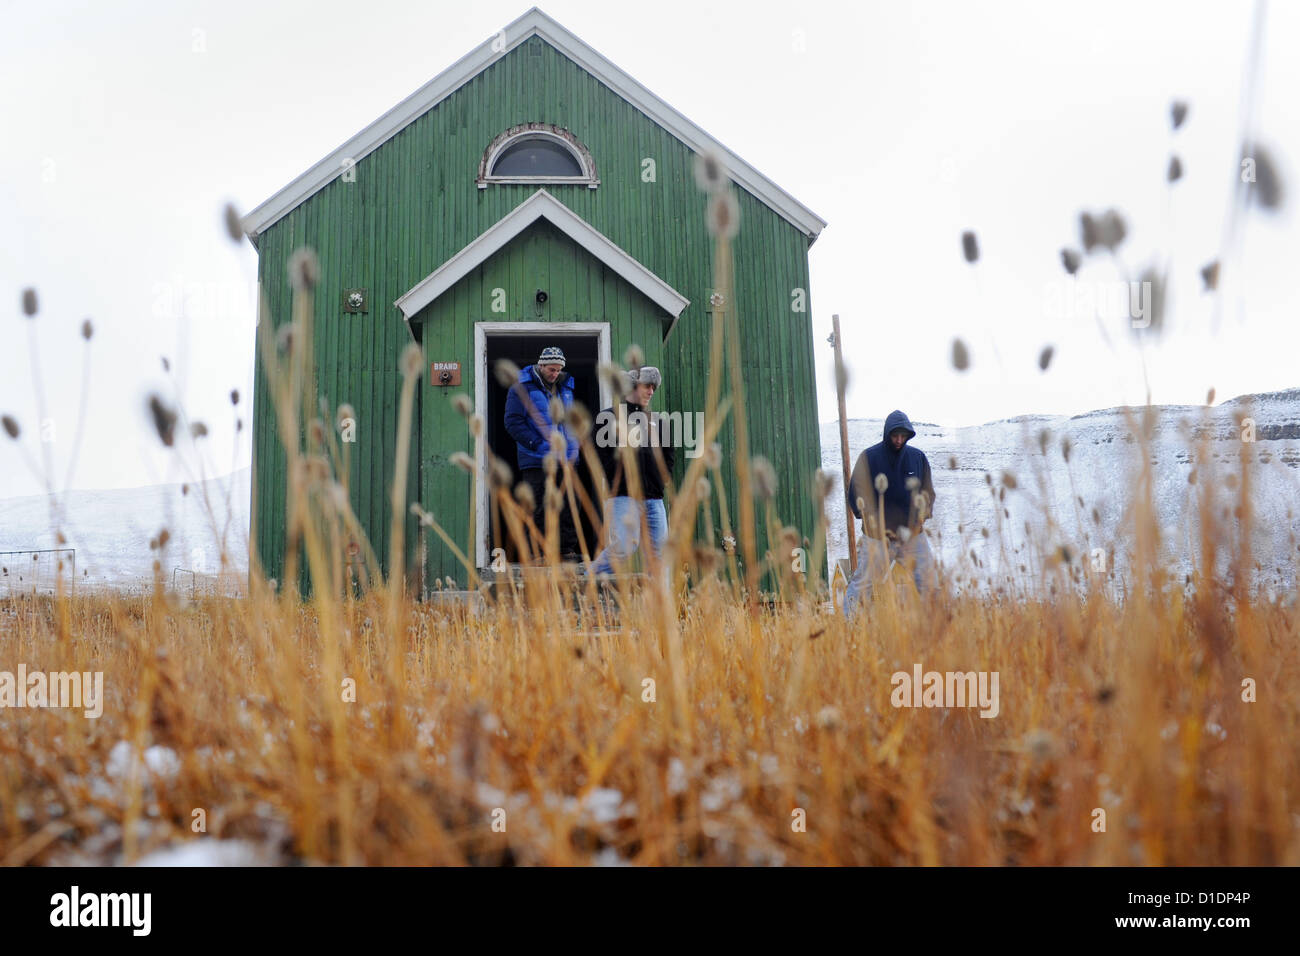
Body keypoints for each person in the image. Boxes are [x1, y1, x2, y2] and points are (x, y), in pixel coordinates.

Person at [843, 409, 937, 617]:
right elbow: (855, 492)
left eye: (903, 436)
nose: (899, 440)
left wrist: (923, 515)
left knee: (930, 582)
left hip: (912, 535)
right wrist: (868, 519)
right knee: (862, 585)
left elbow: (928, 492)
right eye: (895, 435)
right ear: (887, 433)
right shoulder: (869, 458)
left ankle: (936, 630)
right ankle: (848, 630)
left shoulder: (917, 458)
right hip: (877, 538)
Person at [590, 366, 673, 575]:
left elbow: (668, 455)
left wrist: (661, 480)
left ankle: (659, 605)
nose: (651, 391)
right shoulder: (608, 417)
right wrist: (619, 478)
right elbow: (599, 455)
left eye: (654, 387)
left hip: (654, 499)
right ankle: (587, 583)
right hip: (622, 497)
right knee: (624, 547)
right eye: (647, 386)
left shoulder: (658, 421)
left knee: (660, 556)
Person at [503, 345, 582, 561]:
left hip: (566, 460)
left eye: (558, 370)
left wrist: (575, 448)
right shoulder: (521, 388)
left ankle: (566, 551)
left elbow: (570, 421)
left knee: (569, 505)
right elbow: (512, 422)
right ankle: (534, 553)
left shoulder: (566, 387)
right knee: (537, 507)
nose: (555, 374)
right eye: (550, 369)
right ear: (540, 365)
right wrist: (537, 444)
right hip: (537, 459)